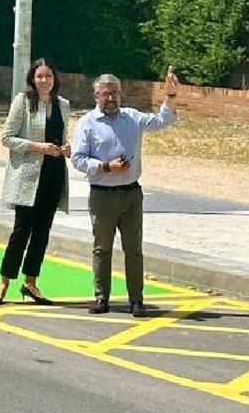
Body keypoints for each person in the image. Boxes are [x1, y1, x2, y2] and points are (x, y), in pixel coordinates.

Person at [70, 68, 180, 318]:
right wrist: (106, 166)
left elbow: (163, 120)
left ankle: (136, 300)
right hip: (103, 195)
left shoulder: (132, 118)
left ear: (121, 95)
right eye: (105, 94)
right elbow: (77, 159)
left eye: (115, 94)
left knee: (134, 249)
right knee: (102, 249)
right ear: (96, 96)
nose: (111, 99)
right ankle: (101, 297)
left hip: (131, 194)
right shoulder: (87, 123)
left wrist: (170, 96)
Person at [0, 58, 72, 306]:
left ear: (54, 79)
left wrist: (67, 148)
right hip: (28, 176)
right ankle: (4, 282)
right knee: (21, 231)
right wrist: (38, 147)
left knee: (42, 232)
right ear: (32, 79)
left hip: (53, 173)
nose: (44, 81)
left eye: (48, 76)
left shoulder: (63, 105)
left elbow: (61, 136)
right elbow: (7, 138)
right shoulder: (24, 102)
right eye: (40, 76)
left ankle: (31, 282)